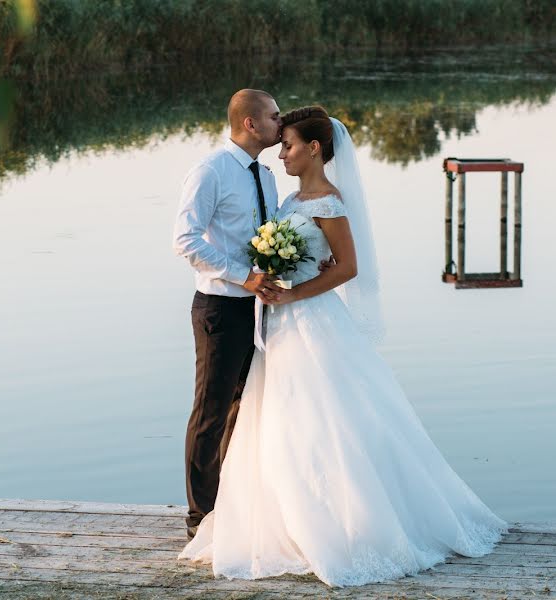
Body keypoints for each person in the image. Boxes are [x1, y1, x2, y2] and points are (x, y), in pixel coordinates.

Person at [178, 106, 507, 587]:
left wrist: (292, 290)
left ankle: (342, 523)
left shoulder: (328, 202)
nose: (282, 150)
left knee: (324, 419)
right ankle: (273, 517)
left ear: (314, 148)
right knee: (277, 420)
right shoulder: (285, 194)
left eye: (289, 143)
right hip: (272, 320)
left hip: (308, 321)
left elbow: (346, 268)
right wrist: (269, 279)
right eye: (279, 137)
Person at [172, 89, 286, 541]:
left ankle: (230, 508)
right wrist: (244, 276)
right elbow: (185, 240)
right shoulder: (210, 172)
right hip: (219, 307)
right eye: (275, 117)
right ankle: (200, 518)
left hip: (258, 305)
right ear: (251, 124)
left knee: (243, 406)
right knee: (211, 411)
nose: (282, 123)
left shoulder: (268, 175)